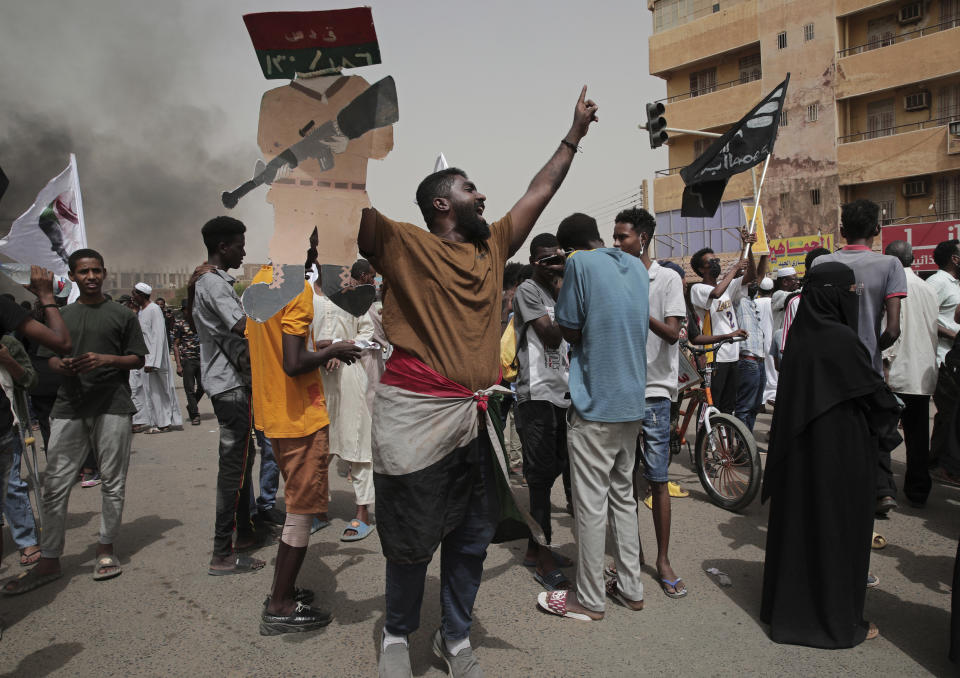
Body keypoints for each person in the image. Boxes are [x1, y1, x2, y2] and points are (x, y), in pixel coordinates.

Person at [359, 87, 598, 677]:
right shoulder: (401, 243)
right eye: (471, 188)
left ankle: (455, 638)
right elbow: (348, 214)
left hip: (476, 419)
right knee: (412, 541)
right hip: (415, 416)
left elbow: (539, 192)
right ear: (443, 203)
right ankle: (396, 635)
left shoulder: (493, 245)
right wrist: (333, 152)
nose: (484, 194)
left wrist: (573, 135)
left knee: (470, 539)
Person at [761, 261, 901, 648]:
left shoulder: (801, 339)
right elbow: (876, 398)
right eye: (850, 293)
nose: (853, 300)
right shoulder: (841, 341)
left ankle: (789, 612)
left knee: (801, 531)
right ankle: (832, 622)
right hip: (840, 459)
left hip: (802, 461)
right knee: (836, 535)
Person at [3, 250, 146, 595]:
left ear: (105, 273)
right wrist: (61, 367)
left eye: (97, 270)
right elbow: (47, 359)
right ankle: (50, 558)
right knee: (55, 484)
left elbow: (138, 359)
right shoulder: (60, 315)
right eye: (84, 272)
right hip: (69, 407)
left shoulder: (122, 315)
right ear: (73, 276)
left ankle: (105, 548)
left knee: (113, 481)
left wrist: (105, 358)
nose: (92, 276)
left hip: (113, 404)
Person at [533, 210, 648, 624]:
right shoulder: (635, 264)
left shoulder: (579, 263)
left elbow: (569, 329)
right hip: (632, 401)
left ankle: (589, 599)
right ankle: (632, 589)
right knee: (623, 499)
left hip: (596, 401)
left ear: (566, 249)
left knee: (591, 505)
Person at [245, 261, 361, 635]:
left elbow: (279, 347)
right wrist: (336, 350)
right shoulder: (299, 289)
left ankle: (285, 589)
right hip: (300, 416)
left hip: (274, 412)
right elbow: (293, 363)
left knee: (298, 504)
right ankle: (280, 604)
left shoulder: (263, 281)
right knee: (301, 510)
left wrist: (319, 345)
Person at [811, 199, 906, 515]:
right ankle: (880, 492)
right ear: (878, 230)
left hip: (828, 371)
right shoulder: (890, 266)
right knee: (873, 432)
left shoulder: (820, 265)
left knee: (835, 438)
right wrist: (873, 350)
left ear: (841, 230)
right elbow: (892, 329)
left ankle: (836, 497)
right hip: (867, 368)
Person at [612, 208, 687, 599]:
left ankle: (662, 560)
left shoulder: (667, 278)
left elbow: (673, 334)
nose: (616, 243)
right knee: (622, 481)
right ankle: (630, 553)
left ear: (642, 237)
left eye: (622, 236)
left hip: (655, 392)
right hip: (619, 391)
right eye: (614, 236)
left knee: (658, 479)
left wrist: (637, 311)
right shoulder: (614, 277)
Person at [190, 217, 266, 576]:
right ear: (223, 247)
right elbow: (244, 327)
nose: (243, 251)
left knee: (243, 462)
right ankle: (222, 553)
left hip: (231, 384)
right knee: (234, 469)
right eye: (239, 245)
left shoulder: (208, 282)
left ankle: (245, 533)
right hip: (230, 385)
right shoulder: (212, 284)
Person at [512, 232, 572, 591]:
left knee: (555, 471)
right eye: (550, 261)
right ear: (536, 262)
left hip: (562, 394)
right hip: (535, 395)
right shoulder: (528, 292)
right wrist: (567, 292)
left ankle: (536, 549)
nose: (557, 266)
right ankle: (544, 557)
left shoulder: (555, 293)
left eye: (560, 259)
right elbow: (551, 336)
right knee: (538, 478)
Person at [308, 265, 377, 542]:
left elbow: (367, 336)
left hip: (349, 376)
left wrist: (339, 346)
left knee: (356, 443)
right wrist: (320, 352)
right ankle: (317, 509)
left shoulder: (356, 297)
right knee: (317, 447)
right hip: (313, 378)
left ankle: (362, 513)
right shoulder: (304, 296)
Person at [882, 241, 938, 507]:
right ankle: (918, 491)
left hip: (896, 371)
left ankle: (885, 490)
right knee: (918, 438)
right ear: (912, 258)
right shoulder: (929, 288)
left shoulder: (891, 285)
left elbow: (891, 330)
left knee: (883, 434)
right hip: (922, 373)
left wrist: (884, 364)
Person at [688, 232, 758, 414]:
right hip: (715, 357)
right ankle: (707, 440)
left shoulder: (727, 286)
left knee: (728, 407)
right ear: (701, 269)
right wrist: (734, 269)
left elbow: (751, 275)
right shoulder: (698, 288)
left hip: (733, 356)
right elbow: (716, 293)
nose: (716, 264)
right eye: (711, 262)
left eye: (717, 260)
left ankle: (726, 441)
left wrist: (748, 249)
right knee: (712, 407)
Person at [0, 333, 41, 567]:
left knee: (10, 484)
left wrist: (7, 360)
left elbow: (30, 380)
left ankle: (27, 541)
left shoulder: (8, 342)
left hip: (7, 423)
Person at [927, 239, 960, 471]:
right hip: (942, 359)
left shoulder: (955, 283)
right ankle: (944, 466)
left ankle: (936, 460)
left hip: (955, 360)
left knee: (949, 414)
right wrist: (952, 335)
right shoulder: (937, 282)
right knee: (950, 413)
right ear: (954, 259)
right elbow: (925, 316)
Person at [131, 282, 182, 433]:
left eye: (134, 294)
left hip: (155, 360)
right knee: (151, 392)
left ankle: (164, 423)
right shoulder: (142, 311)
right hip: (147, 358)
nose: (133, 297)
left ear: (141, 295)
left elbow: (158, 336)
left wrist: (152, 361)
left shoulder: (154, 310)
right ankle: (157, 422)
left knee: (161, 391)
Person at [734, 274, 769, 432]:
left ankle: (746, 444)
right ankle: (742, 447)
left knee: (755, 407)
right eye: (751, 281)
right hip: (747, 360)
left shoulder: (752, 302)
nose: (755, 284)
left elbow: (759, 275)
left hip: (759, 361)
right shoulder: (738, 300)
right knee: (744, 407)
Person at [780, 247, 830, 351]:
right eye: (794, 279)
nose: (797, 282)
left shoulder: (840, 299)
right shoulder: (795, 302)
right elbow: (787, 348)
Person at [173, 311, 204, 425]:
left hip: (201, 359)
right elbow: (175, 345)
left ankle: (191, 405)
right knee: (189, 388)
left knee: (203, 386)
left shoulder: (200, 322)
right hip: (188, 360)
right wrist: (178, 365)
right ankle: (195, 415)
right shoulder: (180, 324)